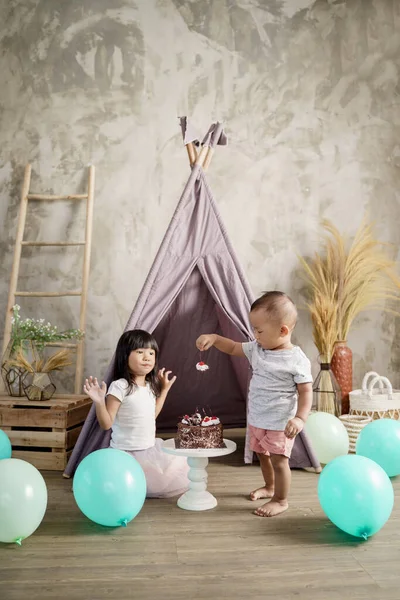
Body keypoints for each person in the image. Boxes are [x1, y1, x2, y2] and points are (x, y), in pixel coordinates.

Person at [196, 291, 313, 517]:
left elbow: (306, 391)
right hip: (258, 418)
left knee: (280, 462)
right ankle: (269, 487)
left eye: (259, 331)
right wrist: (215, 338)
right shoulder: (257, 349)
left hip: (280, 422)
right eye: (254, 329)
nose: (255, 335)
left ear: (283, 331)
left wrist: (300, 418)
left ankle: (281, 499)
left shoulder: (297, 360)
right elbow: (232, 347)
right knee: (263, 456)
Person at [83, 329, 189, 498]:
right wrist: (99, 402)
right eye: (140, 352)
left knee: (179, 463)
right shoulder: (120, 386)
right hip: (126, 453)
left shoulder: (149, 385)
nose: (147, 357)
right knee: (128, 483)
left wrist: (164, 390)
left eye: (151, 353)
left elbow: (151, 416)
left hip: (149, 449)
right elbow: (107, 423)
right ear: (125, 357)